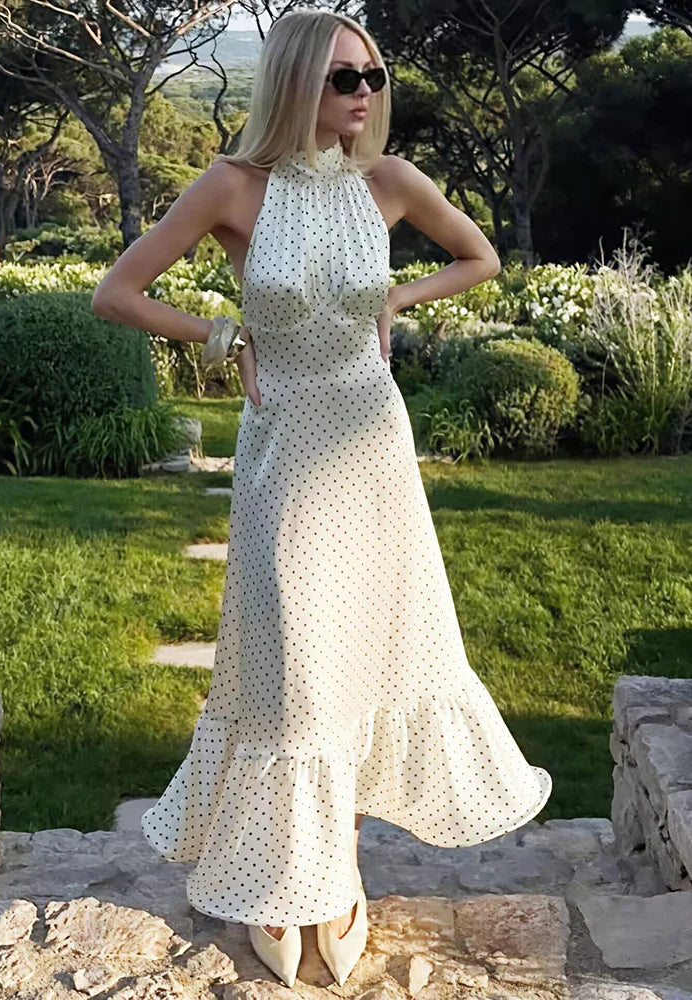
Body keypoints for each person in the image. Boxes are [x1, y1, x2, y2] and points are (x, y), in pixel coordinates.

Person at [92, 8, 552, 989]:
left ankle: (337, 867)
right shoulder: (233, 185)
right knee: (295, 665)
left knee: (360, 657)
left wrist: (397, 298)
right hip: (286, 454)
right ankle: (281, 876)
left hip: (372, 447)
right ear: (298, 81)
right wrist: (221, 336)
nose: (364, 95)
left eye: (373, 77)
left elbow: (479, 256)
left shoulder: (387, 182)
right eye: (346, 77)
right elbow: (116, 291)